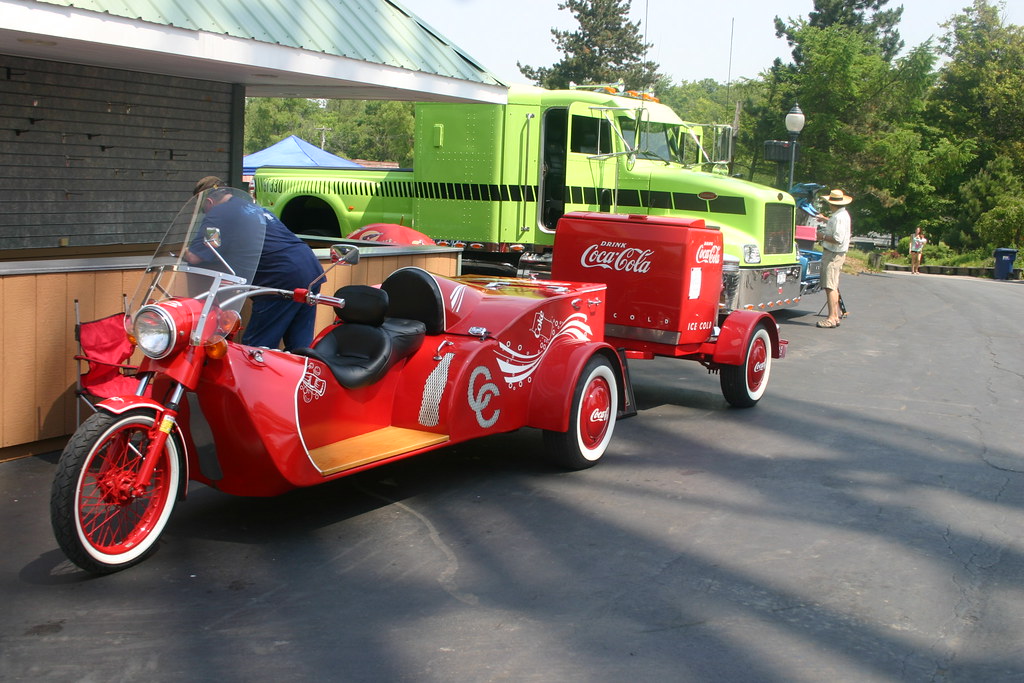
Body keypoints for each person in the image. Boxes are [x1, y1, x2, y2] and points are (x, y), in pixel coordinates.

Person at [188, 176, 325, 350]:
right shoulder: (250, 206)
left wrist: (179, 251)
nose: (205, 214)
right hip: (310, 269)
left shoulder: (218, 212)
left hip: (280, 277)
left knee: (255, 350)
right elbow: (218, 245)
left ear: (208, 201)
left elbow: (195, 256)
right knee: (300, 348)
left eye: (203, 210)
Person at [816, 189, 853, 329]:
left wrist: (822, 236)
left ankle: (831, 317)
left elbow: (837, 239)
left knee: (830, 285)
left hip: (833, 254)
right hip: (838, 254)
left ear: (832, 203)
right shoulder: (842, 214)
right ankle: (835, 316)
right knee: (833, 284)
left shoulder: (838, 217)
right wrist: (825, 219)